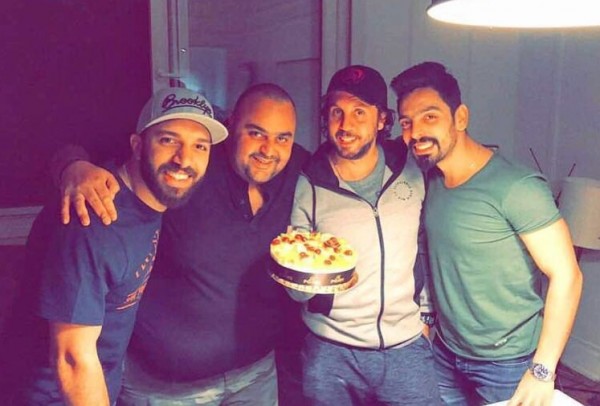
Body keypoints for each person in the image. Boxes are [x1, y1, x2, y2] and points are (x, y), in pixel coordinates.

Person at [54, 83, 310, 405]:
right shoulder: (185, 168)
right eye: (256, 133)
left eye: (283, 138)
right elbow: (77, 147)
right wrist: (73, 167)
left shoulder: (297, 168)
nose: (269, 149)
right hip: (165, 388)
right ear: (231, 124)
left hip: (255, 377)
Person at [3, 86, 227, 405]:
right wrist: (70, 166)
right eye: (168, 140)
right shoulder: (95, 215)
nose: (184, 159)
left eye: (200, 146)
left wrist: (72, 164)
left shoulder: (145, 198)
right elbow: (72, 359)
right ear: (137, 145)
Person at [391, 61, 584, 406]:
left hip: (507, 364)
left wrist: (543, 370)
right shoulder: (430, 180)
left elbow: (567, 275)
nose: (416, 132)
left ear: (460, 118)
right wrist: (427, 319)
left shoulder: (516, 187)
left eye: (430, 116)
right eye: (407, 122)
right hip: (445, 351)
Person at [287, 65, 440, 405]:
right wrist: (302, 279)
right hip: (329, 350)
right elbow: (295, 269)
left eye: (359, 112)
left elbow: (425, 243)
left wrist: (427, 313)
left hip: (406, 345)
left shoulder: (412, 167)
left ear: (382, 119)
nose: (345, 125)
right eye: (336, 112)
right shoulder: (308, 182)